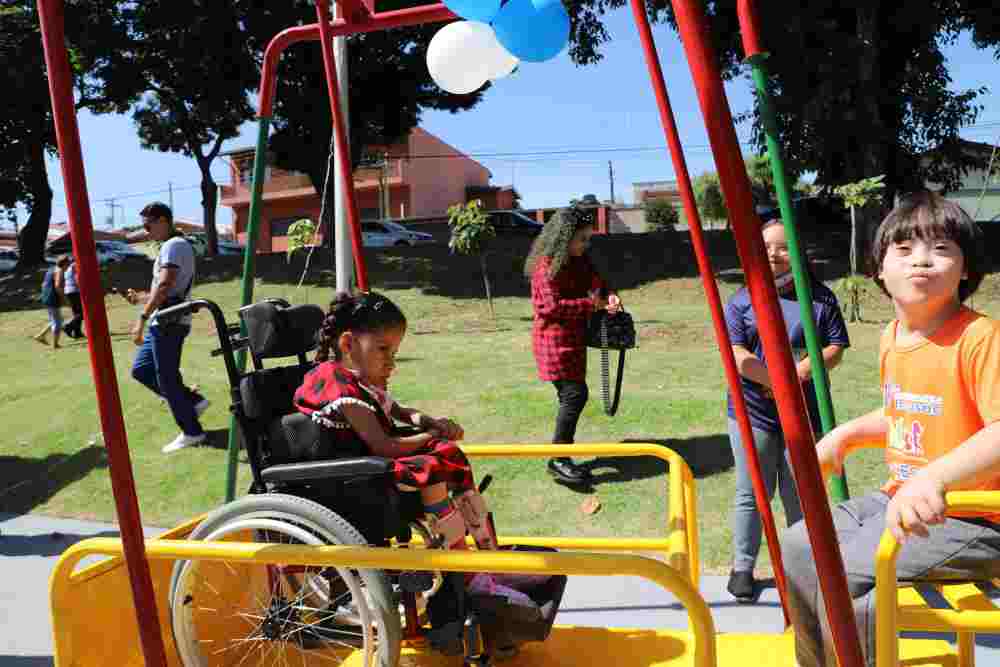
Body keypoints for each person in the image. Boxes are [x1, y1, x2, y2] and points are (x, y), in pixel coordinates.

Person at [782, 192, 1000, 667]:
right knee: (798, 546)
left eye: (941, 248)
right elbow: (908, 413)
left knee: (850, 571)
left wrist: (934, 478)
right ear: (879, 268)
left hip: (975, 514)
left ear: (965, 270)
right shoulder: (892, 338)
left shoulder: (980, 338)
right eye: (904, 249)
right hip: (900, 497)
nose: (921, 259)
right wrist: (847, 436)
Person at [293, 290, 535, 610]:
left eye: (394, 351)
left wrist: (431, 422)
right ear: (348, 344)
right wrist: (428, 433)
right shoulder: (337, 386)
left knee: (447, 453)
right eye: (383, 350)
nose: (391, 362)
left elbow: (400, 412)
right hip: (353, 476)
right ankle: (469, 573)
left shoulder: (357, 380)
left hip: (369, 466)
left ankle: (489, 561)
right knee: (431, 468)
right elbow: (385, 445)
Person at [723, 216, 850, 603]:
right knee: (753, 491)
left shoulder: (820, 297)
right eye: (768, 248)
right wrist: (775, 383)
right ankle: (742, 567)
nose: (776, 254)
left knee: (800, 491)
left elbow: (834, 346)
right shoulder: (743, 299)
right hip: (753, 410)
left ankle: (803, 568)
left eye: (783, 247)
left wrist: (799, 375)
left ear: (797, 252)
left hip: (805, 411)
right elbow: (737, 352)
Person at [525, 206, 621, 486]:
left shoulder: (579, 260)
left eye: (587, 239)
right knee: (575, 395)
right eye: (582, 239)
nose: (585, 244)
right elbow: (550, 307)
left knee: (570, 396)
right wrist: (591, 304)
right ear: (563, 238)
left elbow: (597, 282)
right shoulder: (545, 266)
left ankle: (560, 456)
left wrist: (610, 295)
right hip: (553, 343)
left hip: (575, 341)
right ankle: (558, 459)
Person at [128, 202, 209, 454]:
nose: (145, 230)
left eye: (148, 224)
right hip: (163, 320)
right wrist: (142, 297)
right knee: (142, 370)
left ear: (163, 220)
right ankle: (193, 401)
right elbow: (163, 289)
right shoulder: (170, 246)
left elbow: (165, 286)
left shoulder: (174, 245)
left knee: (167, 378)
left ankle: (192, 432)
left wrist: (141, 318)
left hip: (169, 322)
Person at [34, 255, 71, 349]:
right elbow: (58, 286)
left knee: (56, 319)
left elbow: (44, 284)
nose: (69, 266)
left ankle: (40, 336)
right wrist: (65, 299)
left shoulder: (52, 269)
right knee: (57, 322)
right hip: (52, 298)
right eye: (68, 264)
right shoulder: (60, 271)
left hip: (47, 296)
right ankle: (55, 344)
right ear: (65, 264)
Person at [61, 258, 85, 339]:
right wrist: (82, 288)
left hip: (68, 291)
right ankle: (68, 326)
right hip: (74, 291)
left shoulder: (68, 268)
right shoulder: (75, 265)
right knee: (82, 313)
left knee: (77, 313)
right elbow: (77, 278)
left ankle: (77, 332)